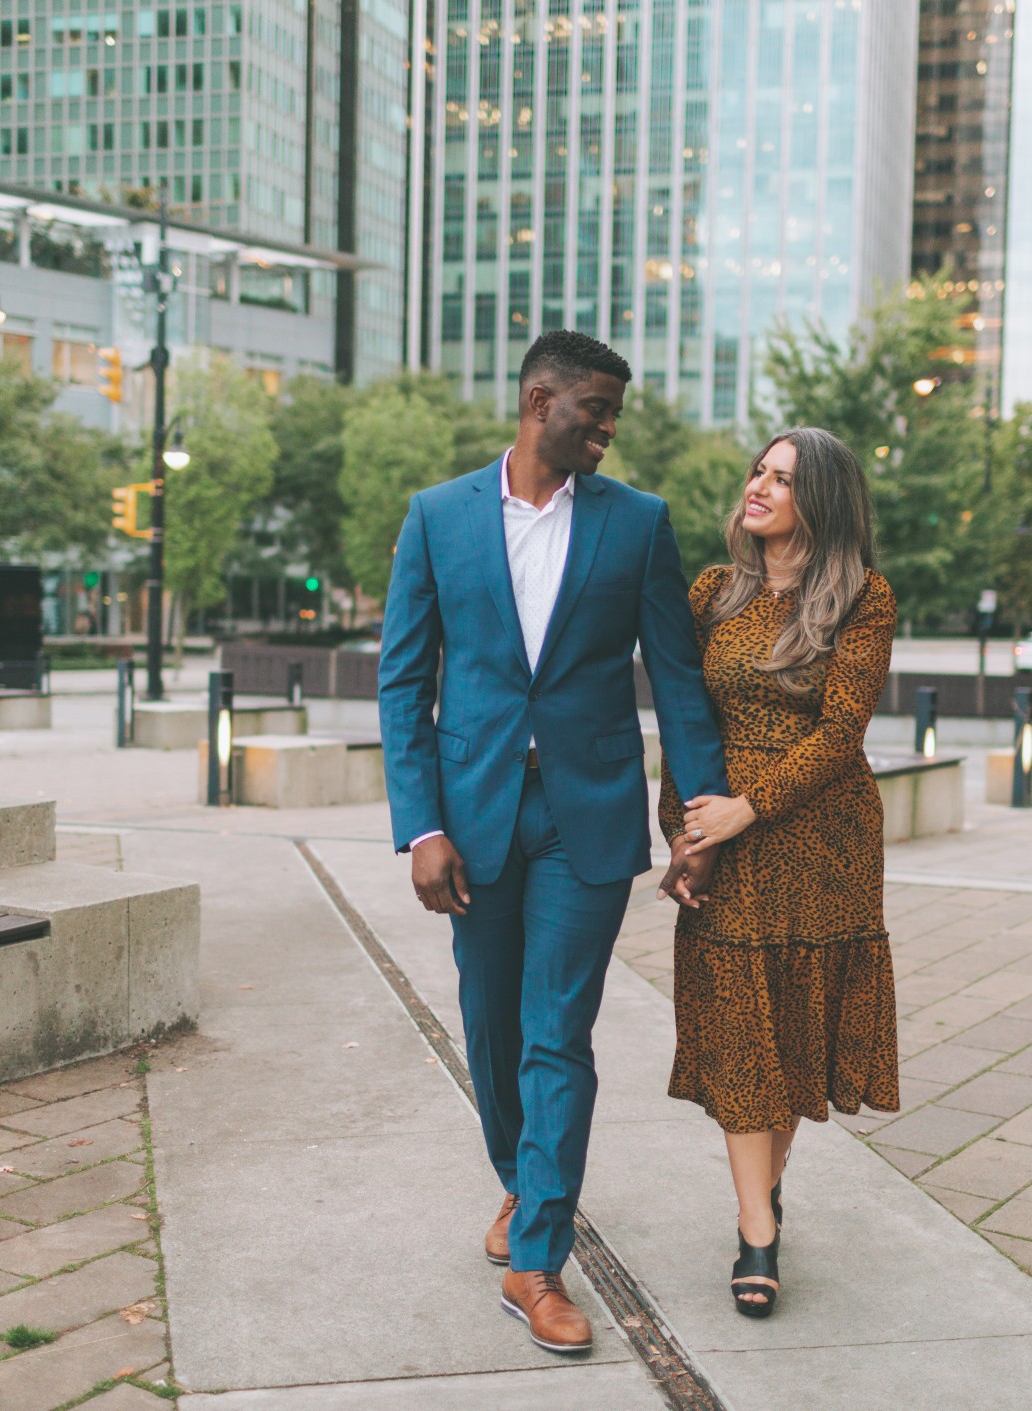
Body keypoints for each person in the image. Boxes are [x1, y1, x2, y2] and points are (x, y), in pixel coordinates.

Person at [378, 330, 730, 1354]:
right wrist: (421, 824)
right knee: (487, 1025)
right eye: (596, 411)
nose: (609, 430)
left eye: (614, 413)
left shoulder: (637, 525)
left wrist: (695, 817)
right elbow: (403, 682)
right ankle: (520, 1181)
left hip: (587, 818)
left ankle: (536, 1256)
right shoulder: (437, 517)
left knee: (554, 1034)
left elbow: (677, 680)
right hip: (475, 816)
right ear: (540, 402)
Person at [655, 427, 903, 1318]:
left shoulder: (862, 599)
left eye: (782, 478)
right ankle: (757, 1226)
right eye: (758, 469)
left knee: (792, 1029)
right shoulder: (713, 593)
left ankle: (761, 1196)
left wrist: (746, 808)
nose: (757, 486)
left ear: (821, 500)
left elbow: (842, 733)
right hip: (727, 836)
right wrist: (686, 828)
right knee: (738, 1027)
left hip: (821, 837)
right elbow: (685, 716)